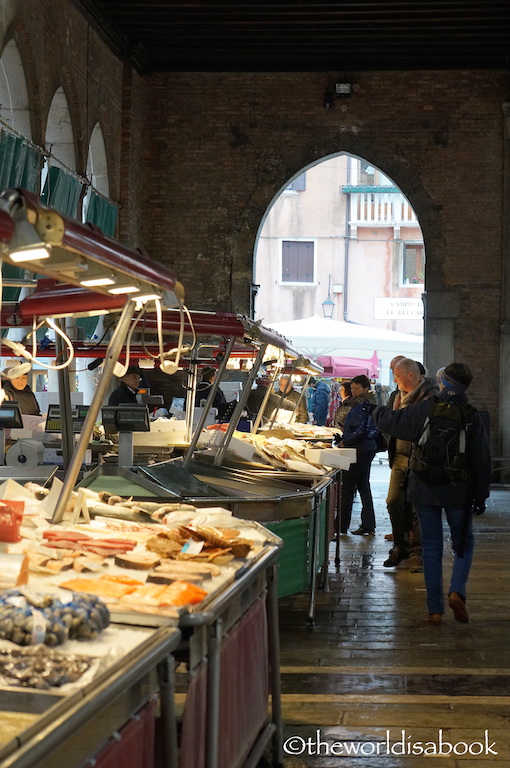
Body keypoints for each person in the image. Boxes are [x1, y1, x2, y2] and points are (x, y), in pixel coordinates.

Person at [373, 363, 492, 626]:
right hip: (458, 490)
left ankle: (435, 610)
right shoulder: (472, 415)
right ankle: (456, 591)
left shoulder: (426, 408)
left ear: (445, 382)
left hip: (424, 486)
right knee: (462, 544)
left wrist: (377, 410)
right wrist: (481, 496)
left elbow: (394, 423)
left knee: (431, 546)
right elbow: (483, 460)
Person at [381, 358, 439, 569]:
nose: (394, 379)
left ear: (411, 376)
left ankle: (417, 551)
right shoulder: (397, 396)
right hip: (399, 457)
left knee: (417, 507)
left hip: (420, 459)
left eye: (397, 375)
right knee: (393, 501)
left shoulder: (430, 398)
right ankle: (400, 545)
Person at [338, 375, 378, 535]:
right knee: (363, 485)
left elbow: (361, 430)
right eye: (352, 388)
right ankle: (368, 524)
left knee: (347, 486)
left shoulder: (363, 404)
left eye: (356, 388)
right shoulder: (368, 402)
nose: (353, 391)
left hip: (359, 449)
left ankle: (341, 526)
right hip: (367, 448)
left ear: (365, 388)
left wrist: (345, 442)